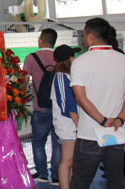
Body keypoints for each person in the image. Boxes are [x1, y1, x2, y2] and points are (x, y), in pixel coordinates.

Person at [70, 18, 125, 189]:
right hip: (116, 133)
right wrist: (119, 119)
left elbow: (80, 98)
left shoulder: (80, 62)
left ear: (90, 37)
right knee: (116, 180)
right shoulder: (122, 59)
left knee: (81, 181)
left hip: (90, 134)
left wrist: (103, 120)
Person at [23, 28, 60, 184]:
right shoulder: (60, 58)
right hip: (59, 108)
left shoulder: (31, 58)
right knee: (58, 143)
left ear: (41, 40)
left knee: (38, 142)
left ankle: (42, 174)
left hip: (40, 107)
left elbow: (24, 81)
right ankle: (57, 176)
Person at [51, 45, 80, 189]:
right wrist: (78, 124)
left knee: (71, 160)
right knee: (67, 160)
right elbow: (67, 105)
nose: (75, 59)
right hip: (68, 124)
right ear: (67, 59)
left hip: (71, 124)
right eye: (72, 56)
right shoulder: (61, 77)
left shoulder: (66, 76)